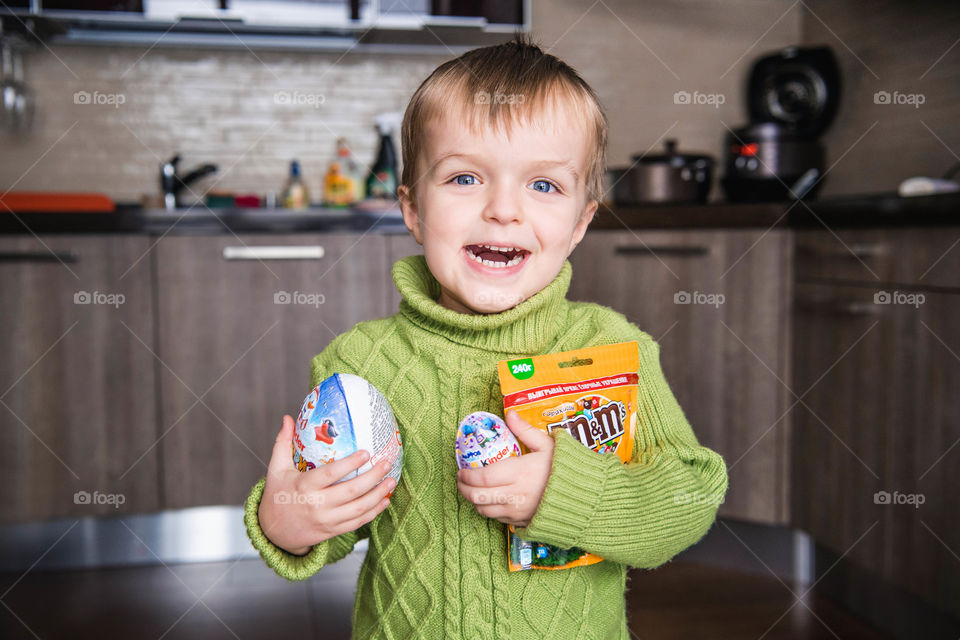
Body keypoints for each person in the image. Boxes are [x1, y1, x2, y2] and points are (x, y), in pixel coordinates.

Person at [244, 32, 728, 640]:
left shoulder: (610, 347)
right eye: (466, 178)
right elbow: (341, 516)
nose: (504, 209)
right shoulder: (360, 360)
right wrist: (288, 519)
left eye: (543, 185)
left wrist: (567, 492)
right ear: (413, 209)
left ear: (580, 223)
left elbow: (688, 499)